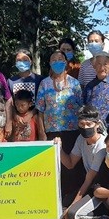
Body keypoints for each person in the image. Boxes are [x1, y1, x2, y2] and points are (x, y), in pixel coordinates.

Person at [35, 50, 83, 206]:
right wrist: (42, 132)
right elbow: (40, 110)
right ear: (49, 63)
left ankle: (71, 201)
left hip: (72, 131)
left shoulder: (75, 83)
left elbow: (81, 107)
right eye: (53, 59)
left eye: (60, 59)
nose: (57, 62)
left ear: (66, 62)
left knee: (72, 167)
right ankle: (56, 201)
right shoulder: (44, 83)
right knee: (56, 167)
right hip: (52, 132)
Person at [58, 105, 108, 219]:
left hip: (100, 187)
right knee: (61, 207)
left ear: (97, 124)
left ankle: (103, 217)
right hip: (89, 186)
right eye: (82, 124)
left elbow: (89, 179)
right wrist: (58, 148)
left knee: (72, 214)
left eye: (89, 124)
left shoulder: (102, 145)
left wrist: (72, 206)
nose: (85, 127)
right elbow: (70, 163)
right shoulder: (81, 139)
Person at [5, 48, 44, 139]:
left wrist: (30, 115)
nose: (22, 62)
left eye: (25, 60)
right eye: (19, 60)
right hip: (16, 122)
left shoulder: (39, 80)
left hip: (35, 121)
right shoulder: (10, 81)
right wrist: (14, 115)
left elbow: (41, 102)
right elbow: (9, 102)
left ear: (31, 61)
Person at [83, 52, 109, 131]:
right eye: (99, 64)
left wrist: (104, 125)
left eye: (105, 64)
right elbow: (85, 107)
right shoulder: (89, 86)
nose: (102, 67)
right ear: (94, 66)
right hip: (93, 130)